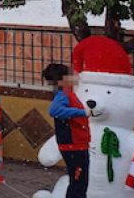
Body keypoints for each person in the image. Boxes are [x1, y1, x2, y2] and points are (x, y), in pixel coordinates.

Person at [43, 63, 90, 198]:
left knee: (79, 182)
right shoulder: (63, 94)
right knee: (78, 183)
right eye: (70, 75)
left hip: (77, 144)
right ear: (62, 80)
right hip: (73, 145)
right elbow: (54, 110)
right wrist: (81, 112)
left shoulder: (67, 93)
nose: (74, 77)